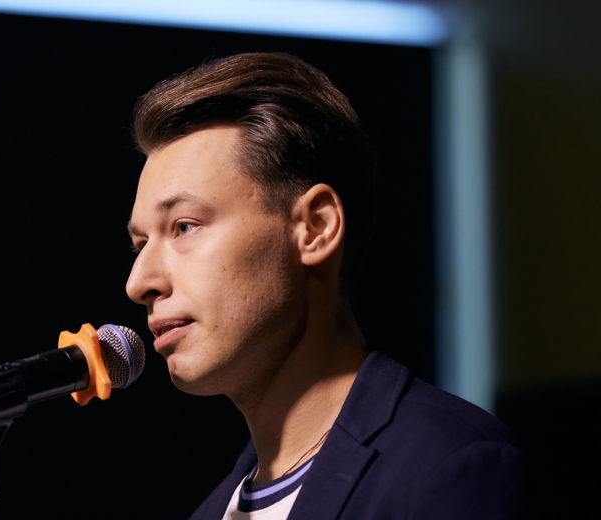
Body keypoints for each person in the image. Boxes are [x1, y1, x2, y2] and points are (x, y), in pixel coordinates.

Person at [124, 52, 521, 520]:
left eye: (185, 226)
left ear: (315, 227)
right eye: (140, 244)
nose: (139, 283)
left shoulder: (449, 469)